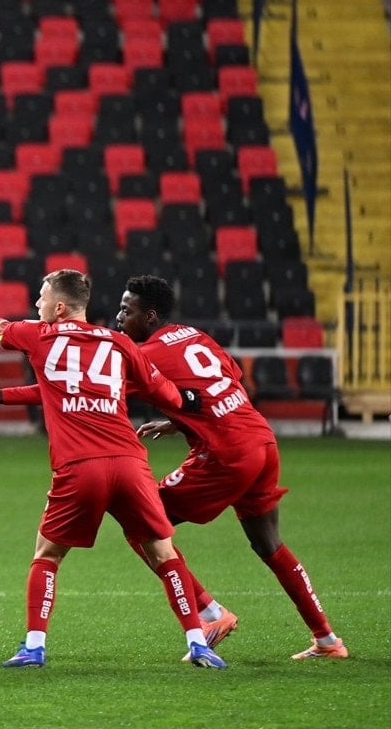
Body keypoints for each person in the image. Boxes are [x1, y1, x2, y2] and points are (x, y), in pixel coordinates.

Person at [0, 268, 227, 669]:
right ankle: (199, 643)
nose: (36, 305)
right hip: (130, 463)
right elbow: (164, 391)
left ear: (59, 307)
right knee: (164, 553)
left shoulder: (37, 336)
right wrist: (188, 403)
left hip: (80, 467)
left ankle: (34, 646)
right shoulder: (119, 342)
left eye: (41, 298)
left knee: (47, 554)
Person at [119, 275, 346, 659]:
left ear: (150, 316)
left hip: (226, 453)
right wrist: (178, 421)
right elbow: (227, 382)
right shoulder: (196, 335)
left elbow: (94, 387)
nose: (119, 316)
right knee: (268, 544)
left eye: (128, 310)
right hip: (260, 439)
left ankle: (211, 613)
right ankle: (327, 640)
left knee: (140, 524)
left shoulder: (147, 356)